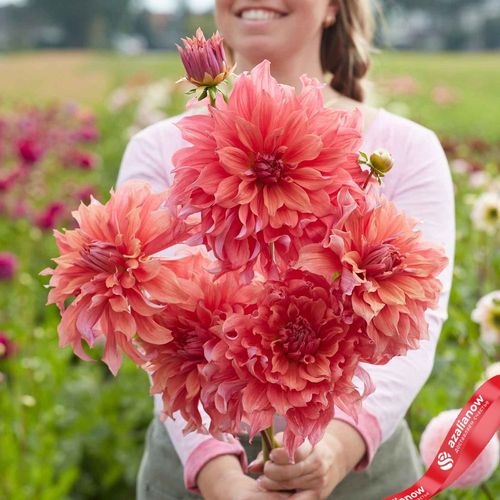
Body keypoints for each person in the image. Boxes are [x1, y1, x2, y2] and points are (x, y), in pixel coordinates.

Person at [116, 1, 455, 498]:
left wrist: (335, 452)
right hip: (201, 455)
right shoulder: (158, 147)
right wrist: (221, 478)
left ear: (333, 8)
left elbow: (415, 326)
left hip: (356, 461)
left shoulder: (406, 149)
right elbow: (159, 337)